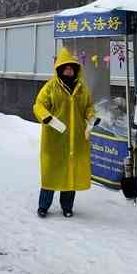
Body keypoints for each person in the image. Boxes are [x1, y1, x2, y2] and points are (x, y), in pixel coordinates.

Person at [33, 48, 95, 218]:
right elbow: (39, 105)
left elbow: (88, 107)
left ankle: (67, 207)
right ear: (60, 69)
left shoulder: (82, 88)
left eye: (72, 68)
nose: (69, 71)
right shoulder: (50, 87)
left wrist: (91, 118)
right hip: (55, 138)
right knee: (51, 173)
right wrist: (47, 118)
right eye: (66, 68)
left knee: (70, 174)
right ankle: (43, 206)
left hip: (76, 139)